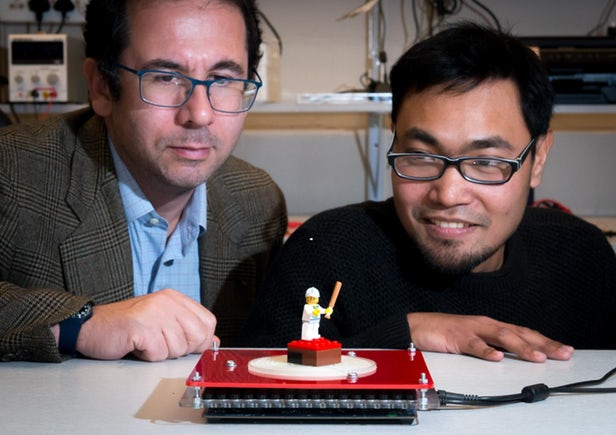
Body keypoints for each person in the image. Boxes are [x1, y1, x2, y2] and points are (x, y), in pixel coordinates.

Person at [241, 22, 616, 362]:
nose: (448, 194)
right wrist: (401, 336)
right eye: (420, 156)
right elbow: (255, 391)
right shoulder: (326, 252)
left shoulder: (580, 257)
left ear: (539, 158)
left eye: (485, 162)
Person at [0, 0, 287, 363]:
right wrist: (77, 325)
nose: (199, 114)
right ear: (101, 87)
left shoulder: (258, 201)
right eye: (166, 77)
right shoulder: (13, 172)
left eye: (223, 79)